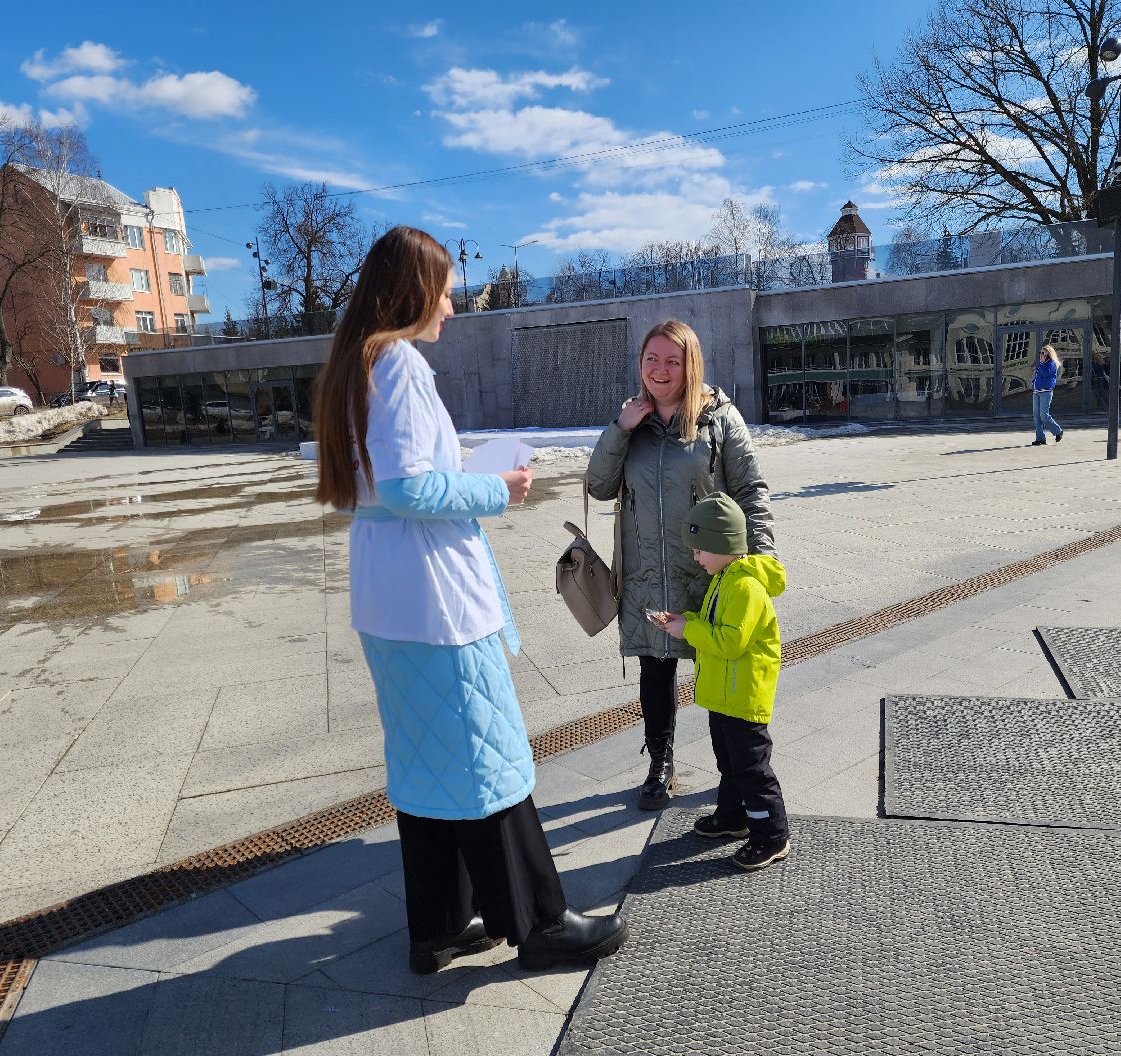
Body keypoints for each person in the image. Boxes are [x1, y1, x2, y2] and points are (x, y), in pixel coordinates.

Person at [313, 225, 628, 974]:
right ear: (414, 289)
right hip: (434, 599)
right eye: (446, 289)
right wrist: (500, 486)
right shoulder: (399, 365)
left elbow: (385, 486)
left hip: (390, 596)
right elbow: (411, 486)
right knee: (487, 755)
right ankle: (541, 923)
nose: (452, 305)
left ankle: (442, 924)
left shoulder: (355, 363)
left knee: (426, 761)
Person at [587, 320, 775, 812]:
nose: (660, 369)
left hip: (708, 570)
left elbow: (750, 491)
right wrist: (620, 429)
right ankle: (661, 762)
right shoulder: (633, 422)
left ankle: (736, 777)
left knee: (720, 667)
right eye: (652, 358)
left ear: (691, 364)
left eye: (673, 360)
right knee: (655, 669)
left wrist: (761, 559)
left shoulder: (718, 417)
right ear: (640, 363)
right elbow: (599, 486)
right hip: (648, 570)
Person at [654, 493, 790, 871]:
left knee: (752, 768)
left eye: (701, 549)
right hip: (724, 696)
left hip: (743, 697)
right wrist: (686, 619)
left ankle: (771, 836)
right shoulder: (724, 578)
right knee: (729, 763)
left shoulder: (745, 587)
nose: (696, 557)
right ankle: (734, 818)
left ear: (724, 545)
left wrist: (689, 630)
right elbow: (713, 622)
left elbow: (730, 642)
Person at [1030, 344, 1064, 446]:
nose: (1040, 355)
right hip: (1037, 392)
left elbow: (1045, 374)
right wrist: (1033, 384)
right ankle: (1040, 438)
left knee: (1044, 415)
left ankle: (1058, 431)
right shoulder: (1042, 364)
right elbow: (1038, 376)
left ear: (1048, 355)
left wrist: (1042, 363)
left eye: (1043, 353)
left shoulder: (1051, 364)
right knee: (1037, 416)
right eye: (1040, 353)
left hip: (1046, 392)